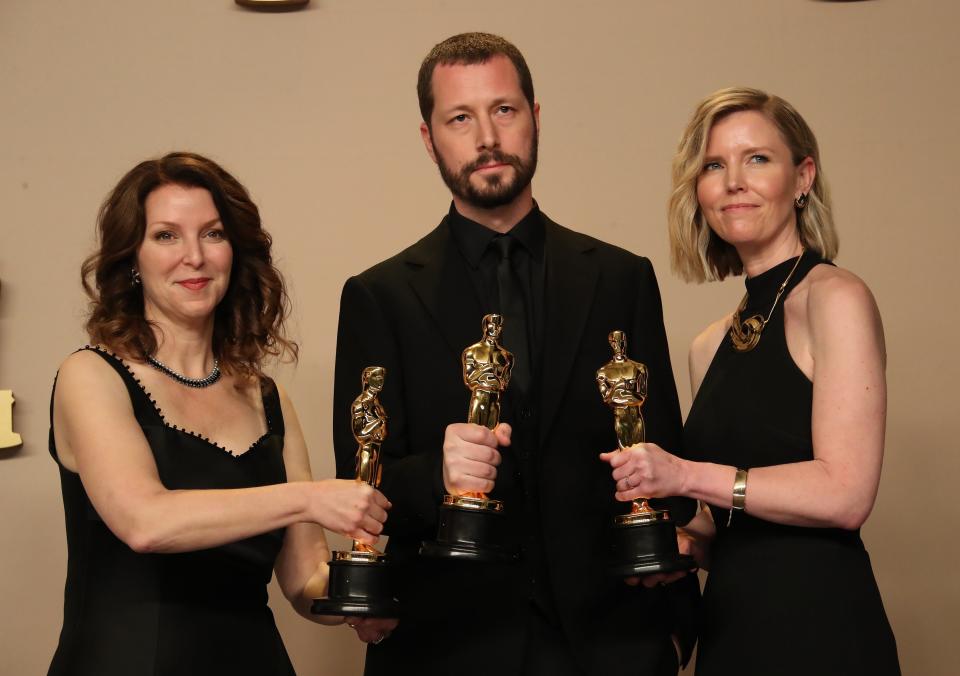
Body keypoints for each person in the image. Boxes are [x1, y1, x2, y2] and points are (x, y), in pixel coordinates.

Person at [332, 33, 697, 676]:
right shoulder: (377, 296)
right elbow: (360, 480)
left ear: (535, 117)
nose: (487, 138)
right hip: (446, 647)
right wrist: (435, 472)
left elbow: (667, 460)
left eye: (504, 110)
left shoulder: (621, 278)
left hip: (612, 644)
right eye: (460, 118)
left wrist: (670, 636)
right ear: (429, 139)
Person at [48, 152, 392, 675]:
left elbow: (305, 581)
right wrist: (307, 497)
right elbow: (146, 523)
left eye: (212, 234)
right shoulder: (90, 376)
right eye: (166, 236)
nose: (194, 257)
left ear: (235, 252)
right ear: (131, 259)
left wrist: (362, 596)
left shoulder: (268, 400)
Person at [602, 87, 900, 675]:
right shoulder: (708, 345)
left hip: (823, 630)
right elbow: (732, 527)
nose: (733, 180)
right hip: (734, 632)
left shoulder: (835, 298)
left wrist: (685, 473)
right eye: (714, 165)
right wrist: (678, 537)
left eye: (757, 158)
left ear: (803, 176)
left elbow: (846, 495)